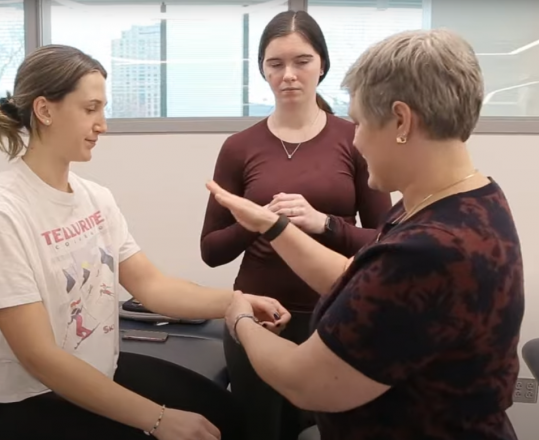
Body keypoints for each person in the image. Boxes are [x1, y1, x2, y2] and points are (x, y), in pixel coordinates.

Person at [206, 28, 524, 440]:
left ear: (401, 120)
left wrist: (240, 316)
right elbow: (359, 277)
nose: (354, 138)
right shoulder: (468, 200)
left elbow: (306, 381)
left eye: (357, 122)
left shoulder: (431, 249)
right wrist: (274, 225)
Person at [0, 44, 290, 440]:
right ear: (45, 110)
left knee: (225, 416)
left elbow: (151, 286)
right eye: (90, 109)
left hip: (99, 369)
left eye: (103, 109)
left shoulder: (93, 197)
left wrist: (235, 302)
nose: (103, 124)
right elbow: (40, 357)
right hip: (28, 401)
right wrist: (157, 419)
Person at [199, 10, 391, 440]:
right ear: (262, 70)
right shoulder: (238, 147)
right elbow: (211, 251)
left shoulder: (354, 139)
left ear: (322, 64)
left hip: (336, 317)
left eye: (301, 61)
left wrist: (326, 224)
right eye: (275, 63)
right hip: (258, 321)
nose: (288, 75)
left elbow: (386, 240)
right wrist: (261, 221)